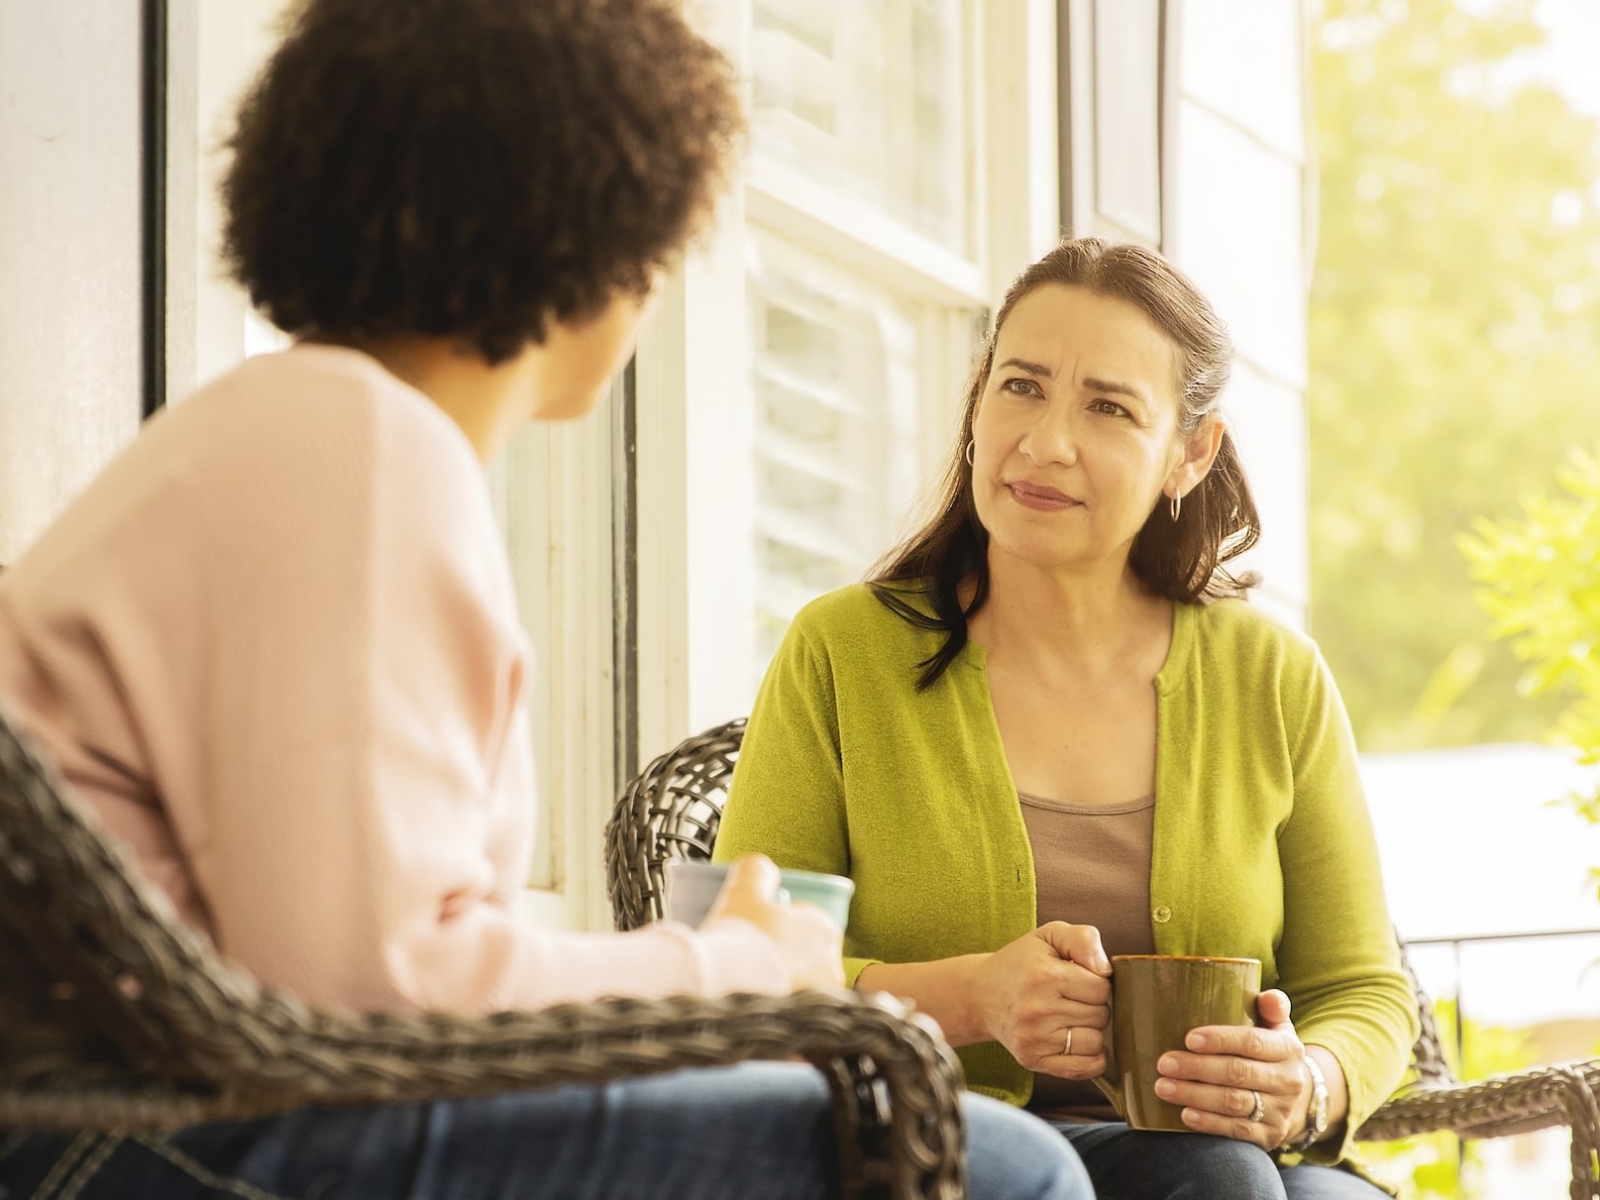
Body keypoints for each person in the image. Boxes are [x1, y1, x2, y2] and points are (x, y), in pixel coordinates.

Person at [0, 2, 1095, 1197]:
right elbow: (377, 992)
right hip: (144, 1135)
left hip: (141, 1108)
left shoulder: (290, 431)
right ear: (595, 237)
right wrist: (732, 965)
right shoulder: (358, 450)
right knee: (1011, 1172)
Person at [715, 236, 1420, 1199]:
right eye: (1021, 386)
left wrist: (1308, 1085)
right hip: (929, 1151)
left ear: (1190, 454)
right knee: (1220, 1179)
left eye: (1108, 408)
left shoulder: (1272, 676)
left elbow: (1363, 990)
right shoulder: (842, 653)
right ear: (978, 405)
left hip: (1217, 1158)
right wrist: (974, 998)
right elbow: (748, 970)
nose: (1046, 442)